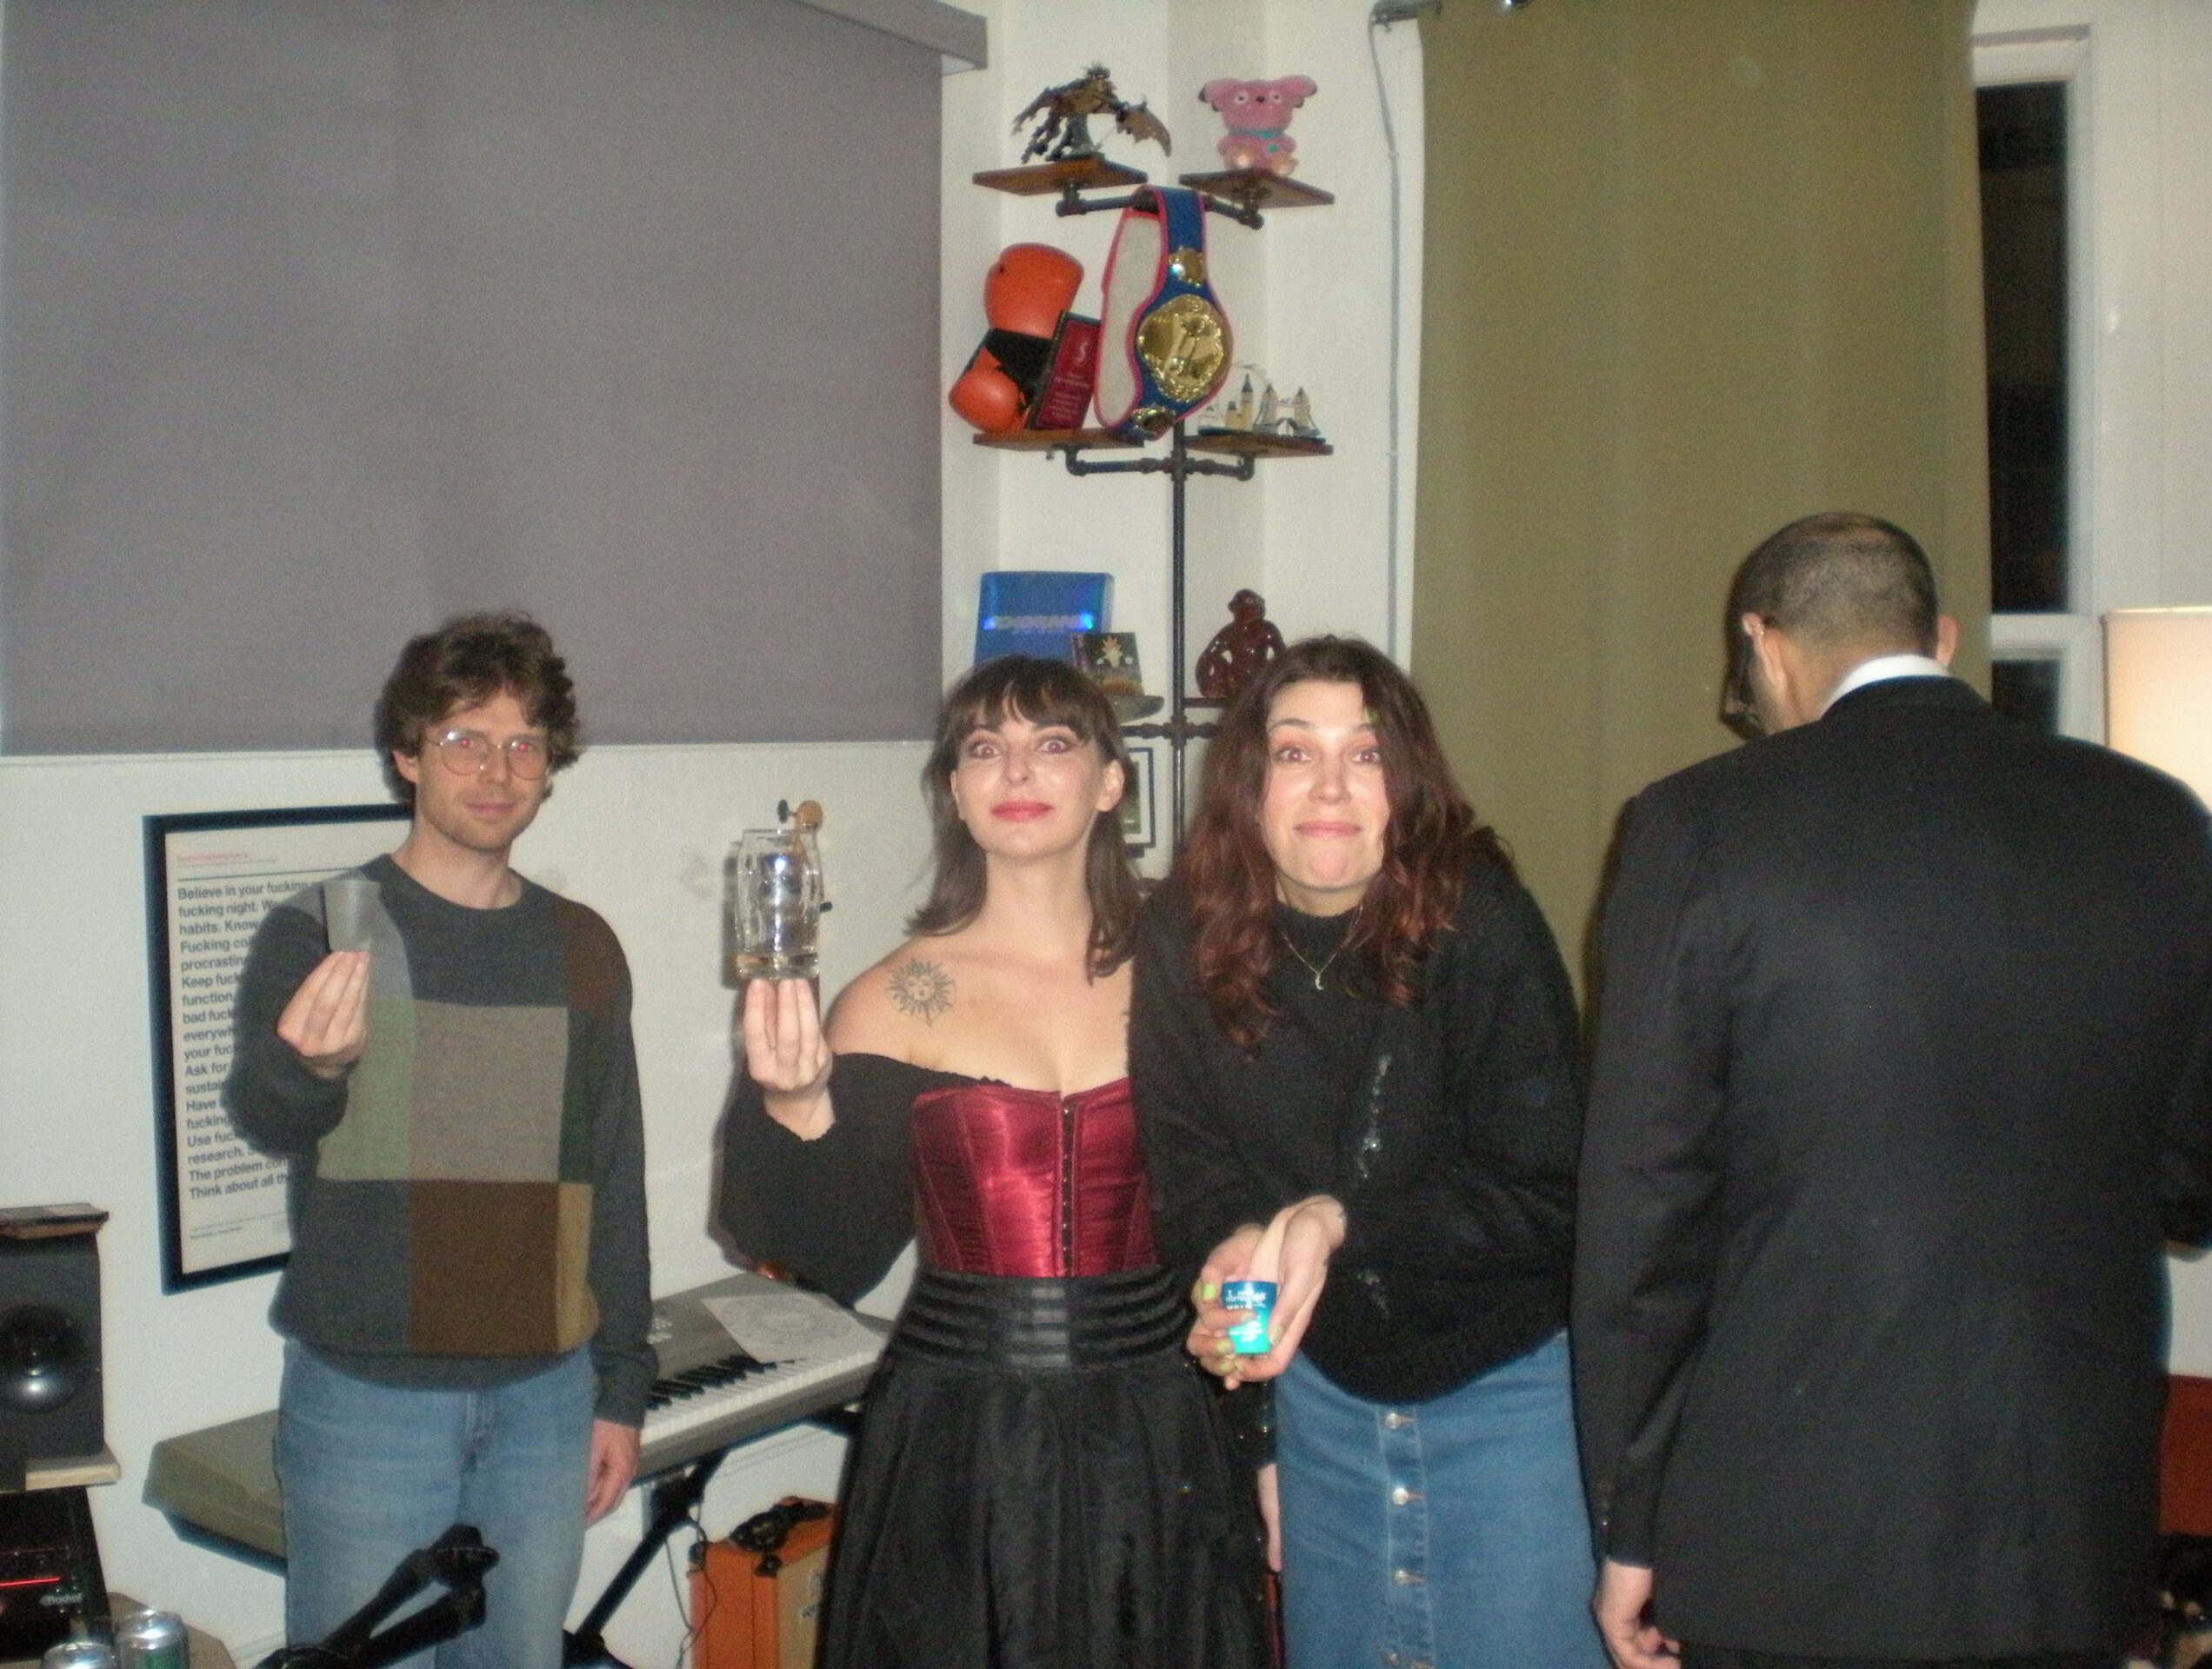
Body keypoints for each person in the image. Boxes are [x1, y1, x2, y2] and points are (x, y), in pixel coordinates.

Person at [1574, 512, 2212, 1669]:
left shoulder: (1698, 828)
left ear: (1764, 645)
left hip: (1794, 1542)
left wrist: (1631, 1521)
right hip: (2063, 1536)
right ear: (1944, 638)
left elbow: (1643, 1214)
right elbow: (2195, 1184)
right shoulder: (2156, 820)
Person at [717, 656, 1270, 1669]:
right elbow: (826, 1256)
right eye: (984, 748)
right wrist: (794, 1108)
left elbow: (1260, 1205)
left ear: (1109, 780)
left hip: (1163, 1419)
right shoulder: (890, 998)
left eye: (1052, 743)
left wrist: (1263, 1416)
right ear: (957, 792)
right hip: (961, 1435)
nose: (1016, 770)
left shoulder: (1196, 970)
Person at [1132, 635, 1604, 1669]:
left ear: (1407, 782)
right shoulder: (1182, 936)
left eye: (1365, 754)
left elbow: (1551, 1189)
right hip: (1322, 1397)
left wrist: (1339, 1221)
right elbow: (1193, 1183)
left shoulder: (1479, 921)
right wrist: (1241, 1294)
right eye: (1295, 752)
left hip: (1503, 1391)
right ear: (1250, 781)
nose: (1330, 788)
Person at [225, 613, 653, 1667]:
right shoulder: (324, 927)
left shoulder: (584, 947)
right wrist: (313, 1069)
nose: (497, 772)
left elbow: (614, 1174)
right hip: (369, 1399)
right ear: (406, 755)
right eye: (464, 739)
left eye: (523, 744)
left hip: (546, 1397)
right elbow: (268, 1119)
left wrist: (621, 1388)